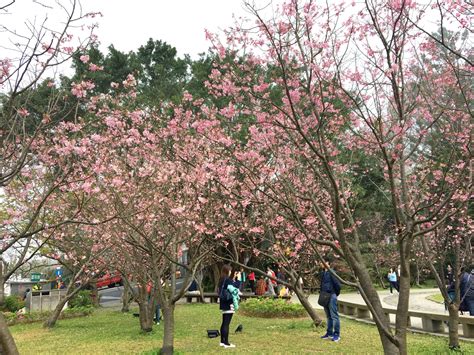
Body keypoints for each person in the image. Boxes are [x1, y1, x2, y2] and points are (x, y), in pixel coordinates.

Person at [320, 260, 341, 342]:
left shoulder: (332, 272)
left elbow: (337, 285)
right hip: (325, 296)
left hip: (332, 295)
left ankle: (336, 334)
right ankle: (329, 333)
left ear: (327, 263)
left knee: (334, 316)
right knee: (328, 316)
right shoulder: (323, 273)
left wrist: (334, 294)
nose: (321, 263)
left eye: (322, 262)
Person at [218, 265, 236, 348]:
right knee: (226, 323)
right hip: (229, 302)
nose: (231, 272)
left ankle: (222, 341)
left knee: (224, 322)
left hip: (223, 302)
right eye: (230, 270)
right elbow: (235, 290)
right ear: (227, 271)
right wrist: (237, 280)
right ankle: (226, 343)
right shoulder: (228, 280)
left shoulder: (221, 280)